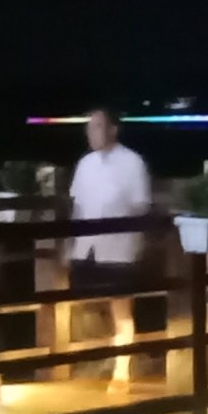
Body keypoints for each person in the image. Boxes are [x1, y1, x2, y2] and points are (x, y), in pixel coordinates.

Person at [65, 109, 152, 373]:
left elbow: (140, 206)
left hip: (119, 247)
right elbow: (77, 207)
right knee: (85, 307)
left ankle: (121, 370)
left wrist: (136, 242)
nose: (91, 133)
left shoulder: (132, 163)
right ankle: (95, 362)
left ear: (113, 129)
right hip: (86, 248)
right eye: (89, 127)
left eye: (98, 126)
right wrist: (70, 244)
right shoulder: (85, 164)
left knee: (121, 309)